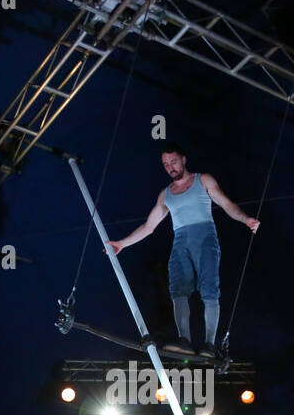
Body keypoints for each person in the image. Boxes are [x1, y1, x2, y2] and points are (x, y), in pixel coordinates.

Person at [106, 145, 260, 357]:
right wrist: (121, 244)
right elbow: (149, 226)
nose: (170, 167)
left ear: (184, 159)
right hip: (180, 243)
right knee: (177, 290)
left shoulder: (203, 180)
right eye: (166, 164)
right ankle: (184, 340)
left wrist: (245, 219)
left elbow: (225, 203)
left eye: (174, 162)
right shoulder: (166, 194)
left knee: (209, 289)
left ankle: (209, 344)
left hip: (205, 237)